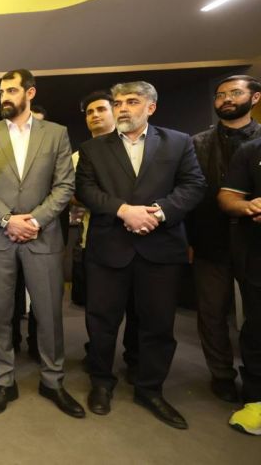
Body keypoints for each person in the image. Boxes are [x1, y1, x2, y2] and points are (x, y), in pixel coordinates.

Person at [76, 81, 205, 429]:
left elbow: (194, 185)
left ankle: (150, 389)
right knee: (101, 323)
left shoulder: (178, 141)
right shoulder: (93, 148)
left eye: (131, 102)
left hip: (160, 247)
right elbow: (85, 190)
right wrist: (124, 211)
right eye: (118, 102)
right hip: (108, 248)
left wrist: (158, 213)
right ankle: (101, 383)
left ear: (151, 107)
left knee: (158, 325)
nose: (122, 108)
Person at [0, 69, 83, 418]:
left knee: (49, 313)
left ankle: (53, 380)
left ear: (30, 93)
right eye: (2, 91)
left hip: (42, 235)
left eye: (12, 90)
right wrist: (7, 219)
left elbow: (64, 186)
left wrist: (34, 221)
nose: (5, 96)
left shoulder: (56, 134)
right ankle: (4, 381)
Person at [189, 75, 261, 403]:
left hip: (255, 243)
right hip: (209, 239)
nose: (226, 99)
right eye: (220, 95)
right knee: (212, 313)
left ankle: (254, 376)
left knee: (257, 315)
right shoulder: (196, 143)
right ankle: (221, 374)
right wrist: (188, 240)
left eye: (235, 93)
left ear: (254, 98)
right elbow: (188, 194)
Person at [74, 91, 139, 381]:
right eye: (90, 112)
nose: (95, 115)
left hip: (141, 238)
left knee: (139, 311)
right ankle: (99, 366)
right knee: (100, 312)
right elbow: (75, 194)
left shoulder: (135, 147)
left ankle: (135, 360)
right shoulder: (79, 155)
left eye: (101, 109)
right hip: (96, 240)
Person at [218, 134, 261, 435]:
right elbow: (227, 197)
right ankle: (257, 400)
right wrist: (248, 206)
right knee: (257, 327)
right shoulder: (252, 150)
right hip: (256, 255)